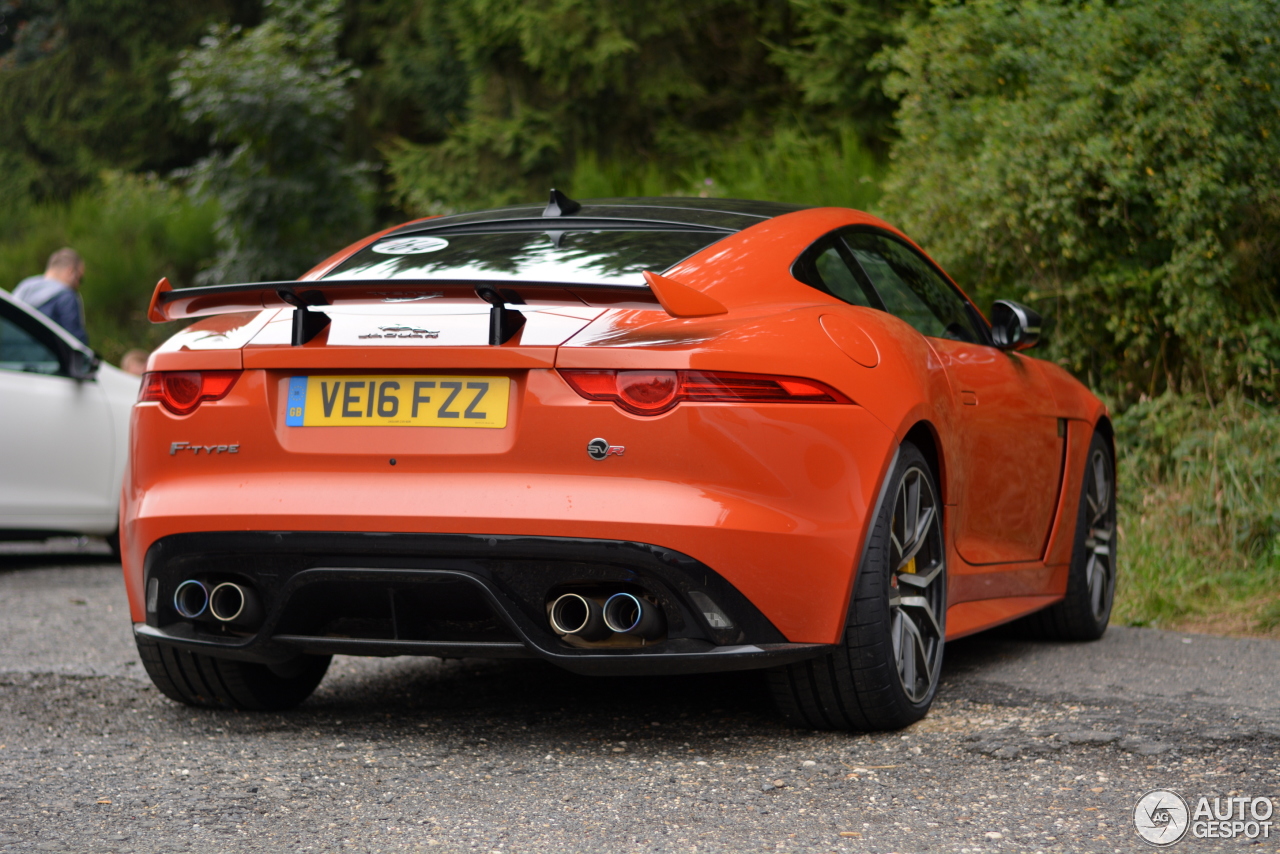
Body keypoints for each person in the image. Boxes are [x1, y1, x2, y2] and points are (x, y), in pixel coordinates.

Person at [13, 248, 89, 346]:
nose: (78, 285)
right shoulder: (66, 297)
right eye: (80, 279)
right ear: (70, 271)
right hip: (47, 359)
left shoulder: (23, 288)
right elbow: (77, 343)